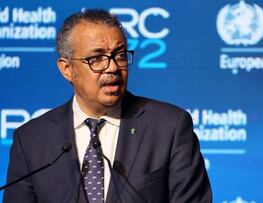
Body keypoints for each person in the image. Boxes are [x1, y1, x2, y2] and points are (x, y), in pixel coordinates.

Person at [3, 9, 212, 203]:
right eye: (97, 58)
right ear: (66, 69)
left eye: (119, 55)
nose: (112, 67)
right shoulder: (31, 140)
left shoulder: (169, 127)